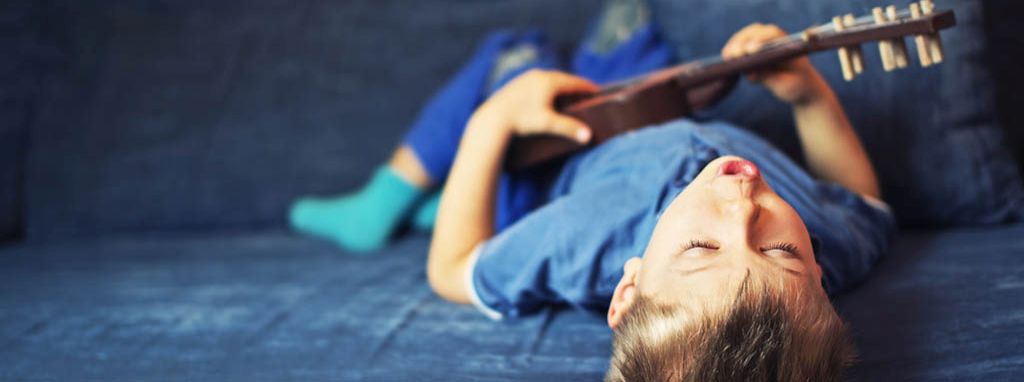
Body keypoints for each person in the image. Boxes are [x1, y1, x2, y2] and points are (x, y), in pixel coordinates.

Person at [426, 23, 895, 381]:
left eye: (701, 248)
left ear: (628, 292)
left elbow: (452, 269)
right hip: (646, 105)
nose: (743, 206)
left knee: (515, 55)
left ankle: (400, 188)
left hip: (558, 146)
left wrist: (493, 120)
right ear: (820, 280)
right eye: (781, 251)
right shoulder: (832, 249)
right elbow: (864, 205)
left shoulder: (580, 237)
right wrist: (808, 96)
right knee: (640, 36)